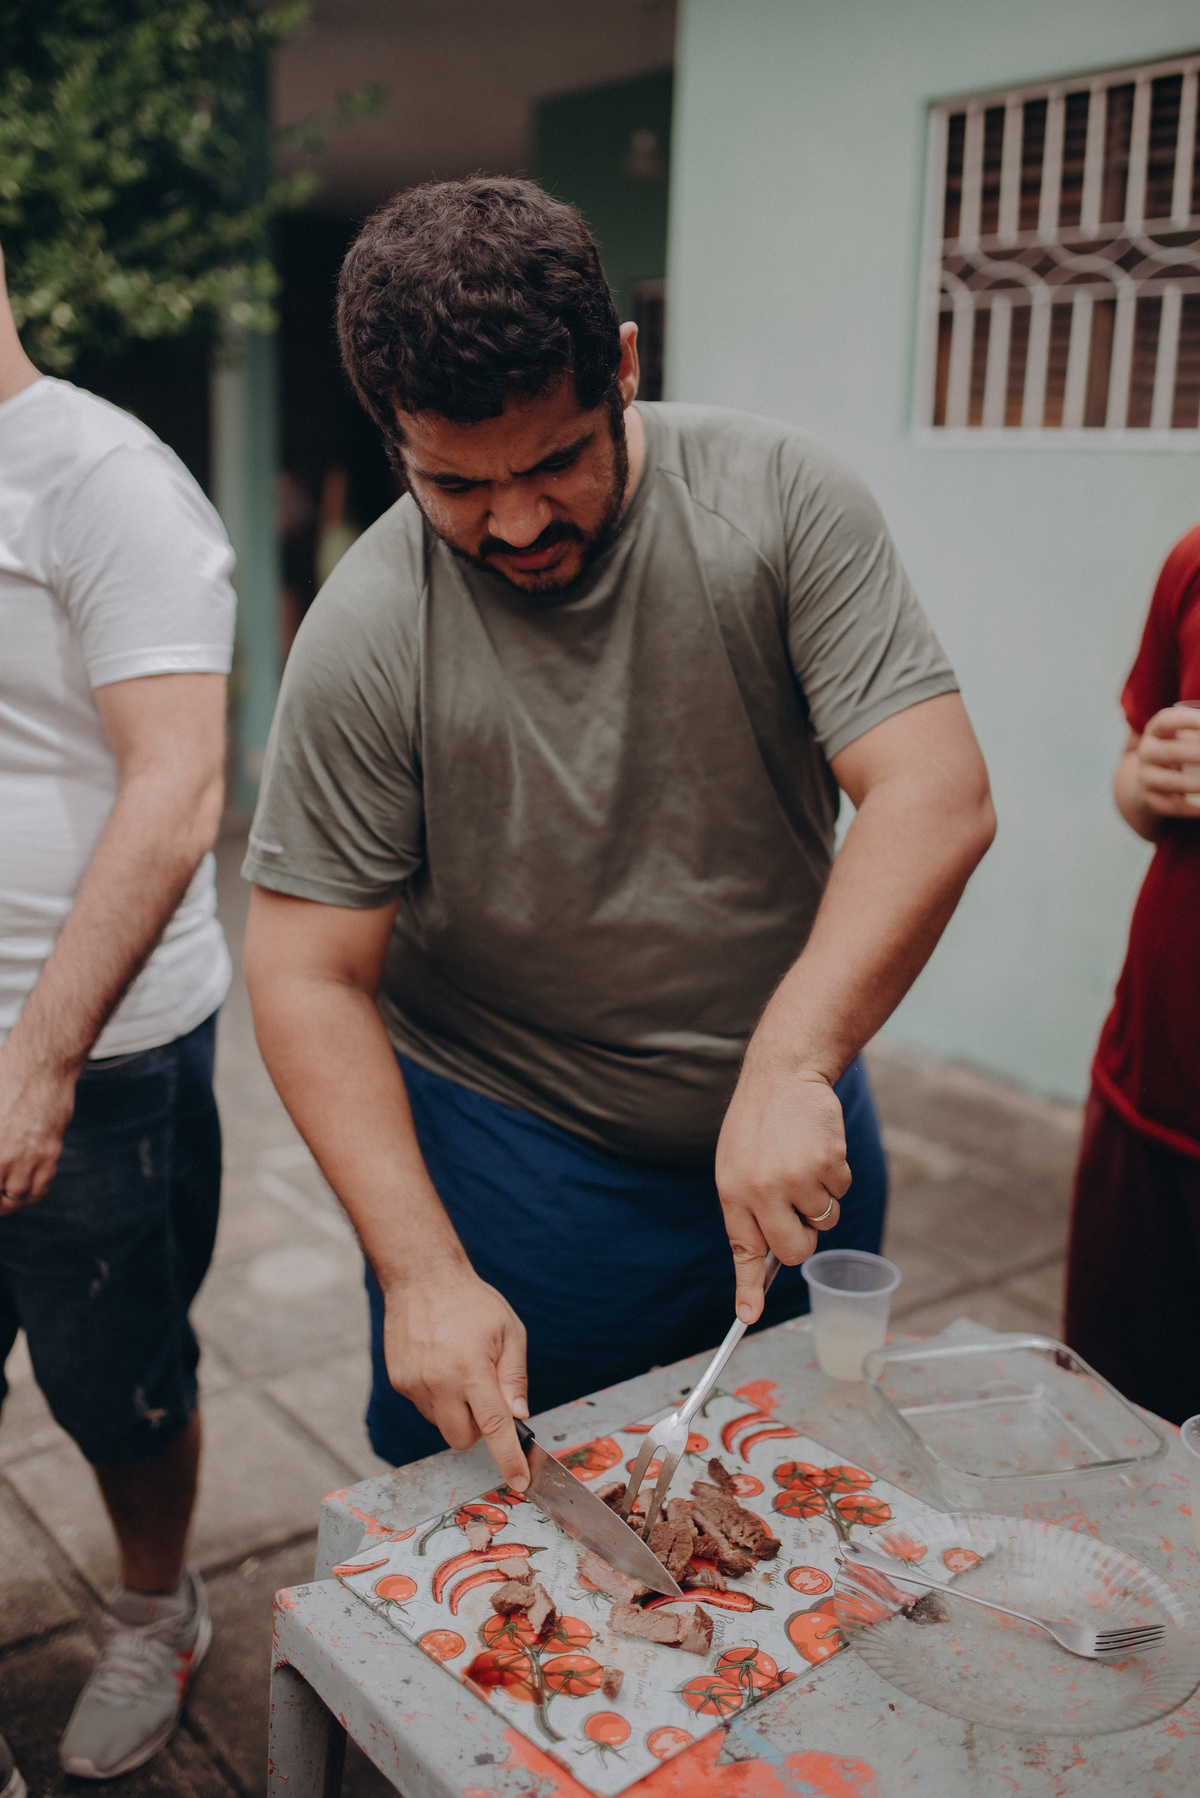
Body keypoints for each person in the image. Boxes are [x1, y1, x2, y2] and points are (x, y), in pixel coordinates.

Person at [242, 178, 994, 1487]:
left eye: (550, 463)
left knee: (800, 1508)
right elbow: (308, 967)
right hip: (516, 1160)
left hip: (792, 1119)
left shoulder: (779, 502)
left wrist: (794, 1060)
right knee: (538, 1577)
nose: (517, 522)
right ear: (393, 440)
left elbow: (934, 790)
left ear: (625, 367)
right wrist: (421, 1270)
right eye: (456, 487)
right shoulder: (369, 629)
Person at [0, 247, 235, 1778]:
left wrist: (39, 1055)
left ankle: (158, 1610)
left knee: (116, 1378)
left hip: (94, 1052)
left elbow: (177, 787)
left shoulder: (101, 478)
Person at [1065, 527, 1200, 1424]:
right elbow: (1133, 773)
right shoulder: (1193, 564)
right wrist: (1144, 778)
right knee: (1109, 1421)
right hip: (1150, 1099)